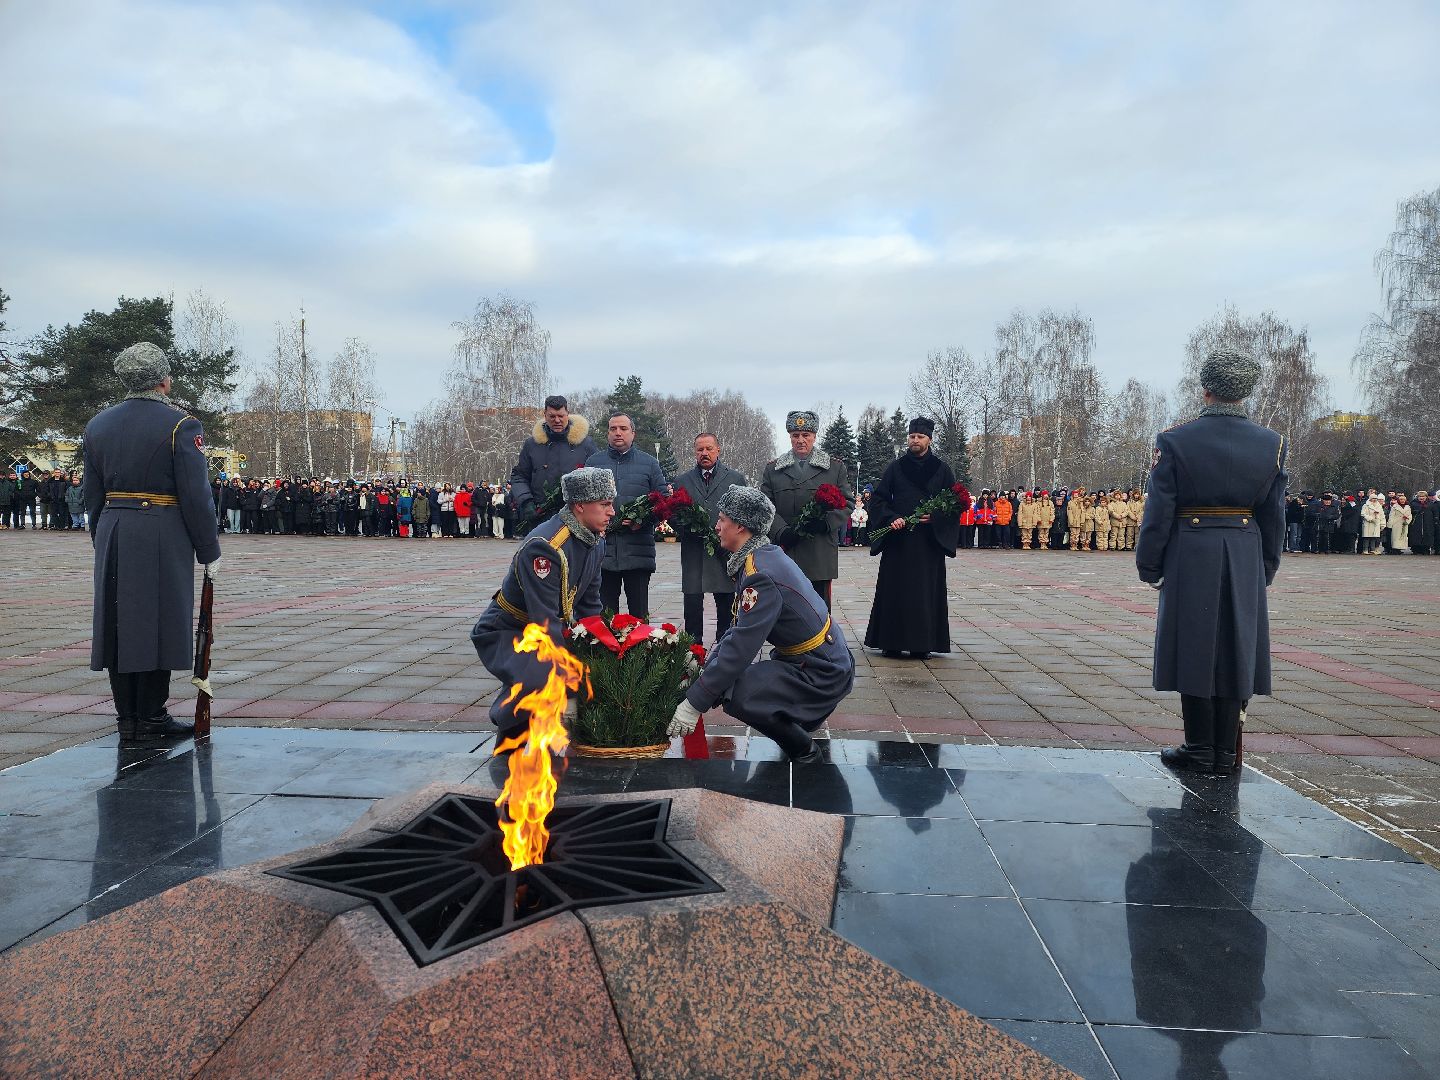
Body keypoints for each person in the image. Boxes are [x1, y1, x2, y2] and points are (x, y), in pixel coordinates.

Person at [1136, 347, 1285, 776]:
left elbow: (1159, 509)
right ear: (1245, 393)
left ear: (1205, 389)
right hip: (1244, 550)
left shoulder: (1176, 439)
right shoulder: (1272, 444)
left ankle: (1200, 747)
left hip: (1191, 549)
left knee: (1196, 647)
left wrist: (1150, 563)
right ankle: (1224, 750)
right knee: (1237, 647)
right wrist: (1266, 566)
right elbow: (1273, 513)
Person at [82, 342, 220, 740]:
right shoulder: (180, 424)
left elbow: (93, 494)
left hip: (113, 527)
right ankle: (152, 716)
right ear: (162, 380)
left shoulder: (98, 425)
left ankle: (128, 718)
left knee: (118, 624)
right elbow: (196, 496)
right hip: (162, 530)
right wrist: (208, 548)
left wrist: (102, 537)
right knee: (158, 622)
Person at [667, 487, 854, 763]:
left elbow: (742, 647)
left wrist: (695, 702)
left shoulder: (759, 573)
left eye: (722, 519)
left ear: (740, 525)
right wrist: (707, 666)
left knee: (739, 693)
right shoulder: (759, 558)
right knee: (729, 682)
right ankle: (794, 729)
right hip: (813, 660)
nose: (717, 526)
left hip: (821, 670)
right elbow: (736, 630)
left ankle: (804, 752)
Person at [470, 466, 612, 743]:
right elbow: (544, 623)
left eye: (611, 504)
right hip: (508, 630)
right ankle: (509, 742)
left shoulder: (594, 541)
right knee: (540, 681)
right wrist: (568, 690)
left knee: (587, 672)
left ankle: (523, 747)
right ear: (580, 505)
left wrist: (598, 648)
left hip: (545, 629)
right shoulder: (545, 547)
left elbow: (590, 606)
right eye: (604, 504)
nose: (612, 512)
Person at [864, 417, 967, 659]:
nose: (915, 440)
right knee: (894, 590)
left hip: (927, 544)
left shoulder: (942, 469)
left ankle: (922, 644)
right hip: (898, 542)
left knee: (924, 592)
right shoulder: (895, 467)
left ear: (929, 439)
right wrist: (892, 518)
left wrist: (935, 517)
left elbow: (955, 505)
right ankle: (891, 642)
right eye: (912, 436)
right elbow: (878, 500)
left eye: (920, 437)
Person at [760, 410, 851, 609]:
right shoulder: (773, 469)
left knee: (819, 607)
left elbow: (847, 504)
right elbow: (765, 506)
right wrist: (781, 531)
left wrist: (826, 523)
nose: (801, 440)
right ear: (790, 437)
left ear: (814, 436)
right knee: (787, 606)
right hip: (786, 550)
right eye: (795, 435)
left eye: (806, 435)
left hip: (819, 551)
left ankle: (824, 641)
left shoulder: (834, 468)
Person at [587, 413, 667, 619]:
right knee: (605, 616)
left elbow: (663, 501)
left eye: (623, 428)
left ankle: (639, 651)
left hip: (638, 551)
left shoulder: (649, 464)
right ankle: (607, 652)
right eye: (613, 429)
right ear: (608, 433)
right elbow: (583, 503)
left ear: (633, 433)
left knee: (639, 616)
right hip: (602, 554)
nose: (618, 433)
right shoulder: (593, 462)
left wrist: (643, 520)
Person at [673, 432, 746, 644]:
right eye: (700, 450)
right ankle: (692, 655)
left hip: (724, 555)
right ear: (695, 452)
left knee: (726, 608)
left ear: (718, 450)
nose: (704, 453)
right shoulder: (682, 481)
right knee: (693, 609)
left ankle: (724, 653)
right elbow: (673, 513)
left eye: (709, 449)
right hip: (693, 553)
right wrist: (687, 528)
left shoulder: (735, 479)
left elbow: (745, 513)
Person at [509, 395, 600, 527]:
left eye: (561, 416)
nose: (557, 420)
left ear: (567, 414)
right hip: (540, 518)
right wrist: (526, 501)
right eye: (552, 416)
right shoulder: (532, 444)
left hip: (577, 518)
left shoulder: (585, 444)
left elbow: (597, 477)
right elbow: (519, 476)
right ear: (545, 415)